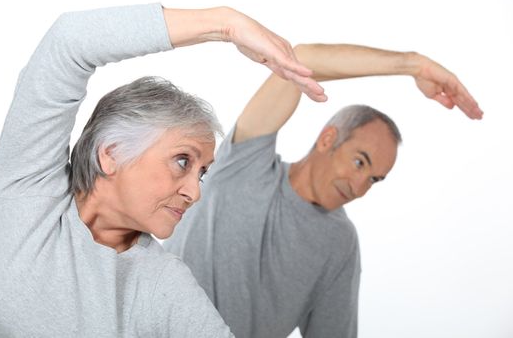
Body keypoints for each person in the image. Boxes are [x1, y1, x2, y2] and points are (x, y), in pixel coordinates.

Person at [0, 3, 324, 337]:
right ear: (112, 154)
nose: (194, 193)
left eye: (202, 172)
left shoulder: (161, 284)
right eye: (183, 161)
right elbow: (68, 43)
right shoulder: (25, 190)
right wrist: (226, 24)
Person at [163, 43, 483, 338]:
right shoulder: (245, 164)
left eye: (374, 179)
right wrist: (413, 65)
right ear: (328, 138)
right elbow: (300, 60)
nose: (360, 187)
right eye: (360, 163)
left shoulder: (339, 243)